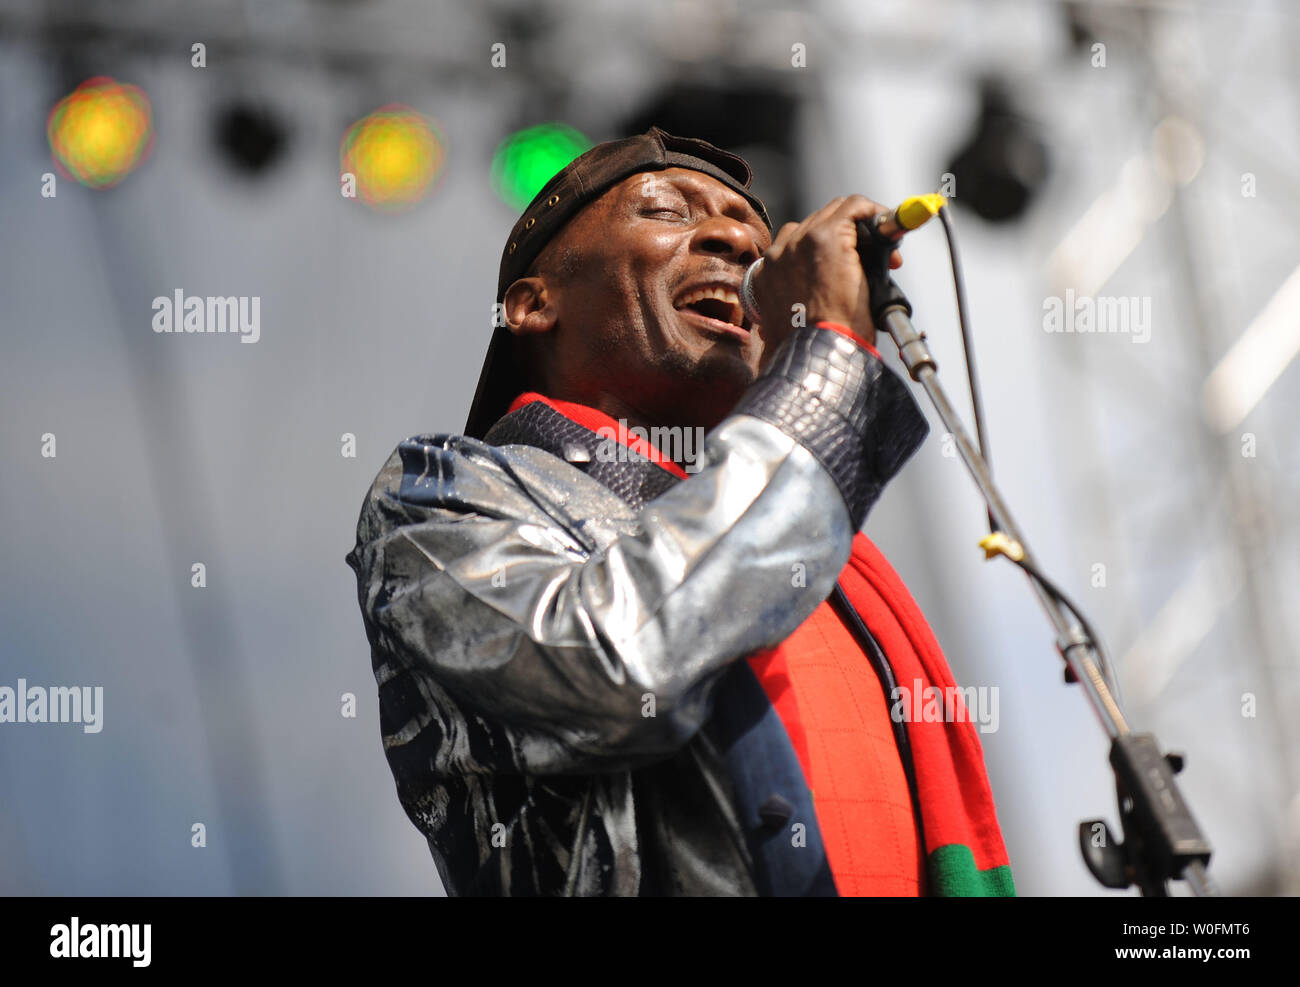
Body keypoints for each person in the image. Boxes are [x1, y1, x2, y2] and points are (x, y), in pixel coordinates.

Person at [344, 126, 1014, 896]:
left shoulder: (825, 555)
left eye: (752, 233)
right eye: (666, 210)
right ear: (532, 305)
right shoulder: (441, 501)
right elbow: (615, 665)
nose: (735, 238)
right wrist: (826, 370)